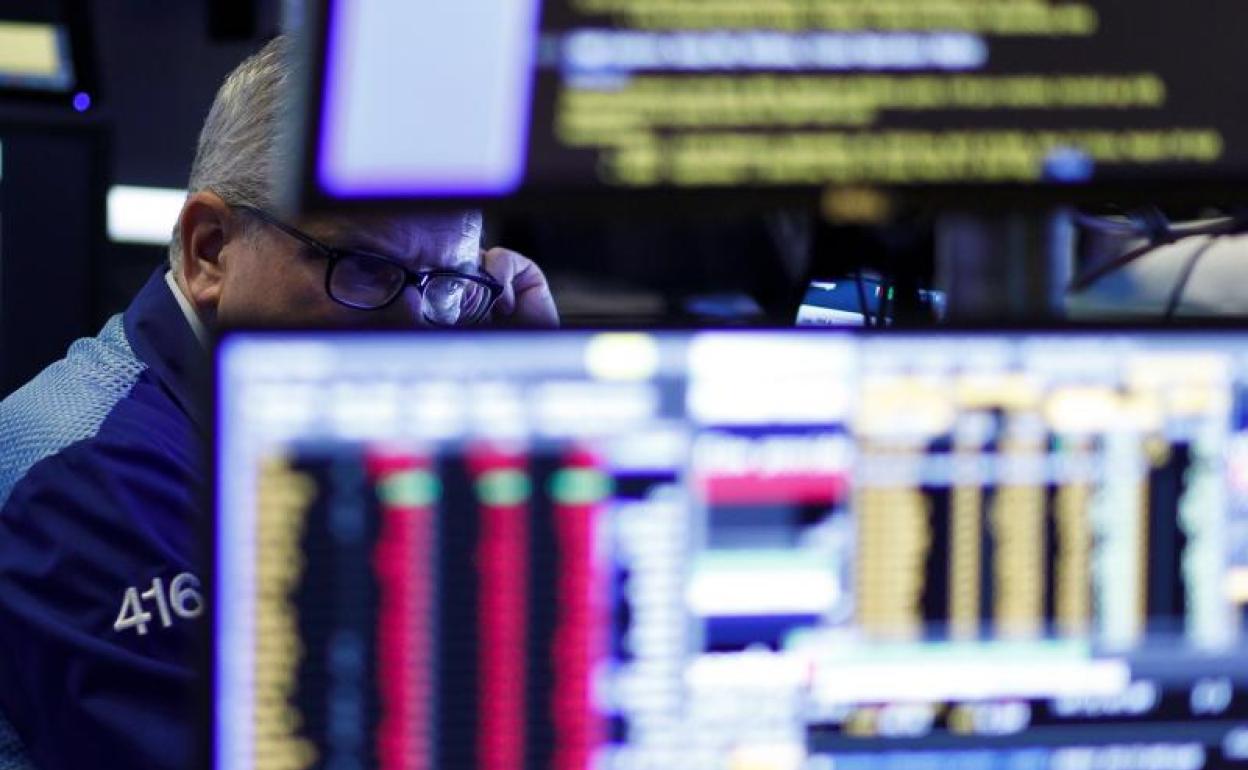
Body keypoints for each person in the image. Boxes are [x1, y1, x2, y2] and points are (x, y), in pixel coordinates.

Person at [0, 35, 556, 770]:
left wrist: (538, 410)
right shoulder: (88, 486)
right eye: (364, 269)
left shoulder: (303, 429)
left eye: (446, 287)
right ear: (210, 250)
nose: (412, 339)